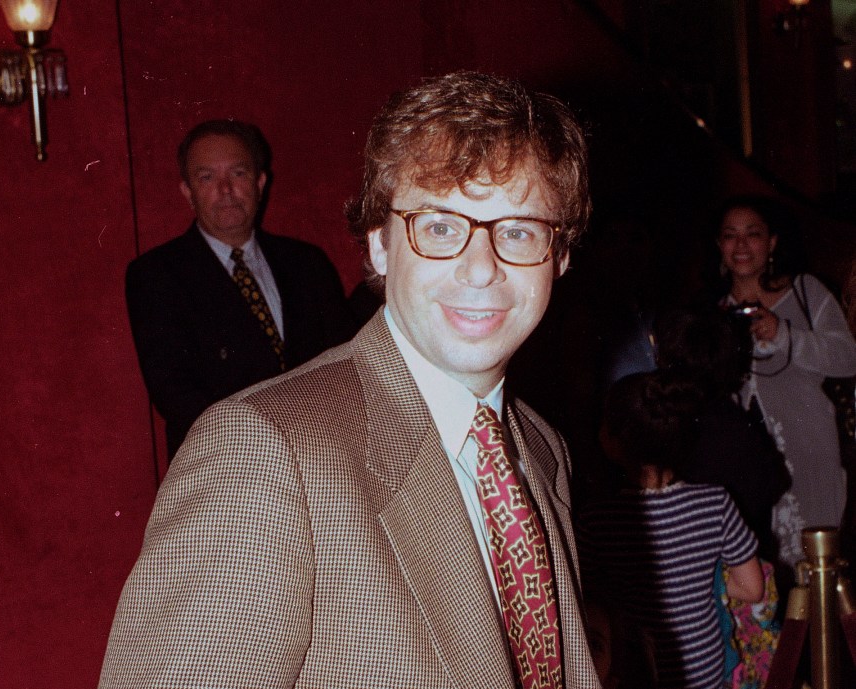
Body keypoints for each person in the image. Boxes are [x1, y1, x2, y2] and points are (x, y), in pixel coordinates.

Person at [99, 72, 602, 688]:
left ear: (561, 257)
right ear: (382, 245)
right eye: (440, 226)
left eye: (519, 231)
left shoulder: (542, 448)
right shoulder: (258, 453)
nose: (480, 268)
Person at [125, 119, 354, 457]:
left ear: (260, 183)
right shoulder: (156, 276)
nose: (225, 191)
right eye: (207, 178)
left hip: (318, 459)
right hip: (224, 468)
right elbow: (176, 393)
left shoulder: (308, 264)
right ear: (187, 192)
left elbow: (341, 366)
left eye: (238, 174)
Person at [578, 370, 764, 689]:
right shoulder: (715, 503)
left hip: (640, 675)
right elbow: (752, 589)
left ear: (614, 442)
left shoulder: (596, 519)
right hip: (706, 673)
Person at [714, 195, 856, 572]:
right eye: (730, 236)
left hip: (809, 456)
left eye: (753, 234)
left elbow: (848, 356)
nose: (741, 246)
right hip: (744, 472)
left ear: (772, 242)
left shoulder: (806, 291)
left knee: (816, 572)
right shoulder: (712, 310)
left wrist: (785, 335)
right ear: (719, 245)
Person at [652, 306, 790, 560]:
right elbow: (775, 481)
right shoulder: (734, 421)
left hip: (691, 563)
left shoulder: (663, 420)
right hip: (739, 561)